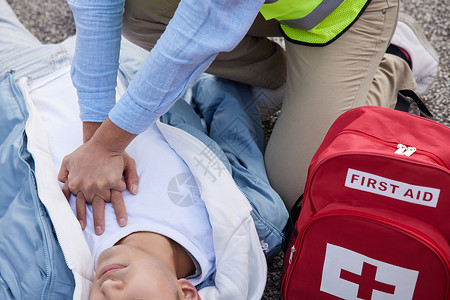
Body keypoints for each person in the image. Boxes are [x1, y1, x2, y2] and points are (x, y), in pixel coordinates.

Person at [0, 1, 287, 298]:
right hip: (131, 61)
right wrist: (104, 144)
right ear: (187, 293)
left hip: (15, 83)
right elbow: (233, 128)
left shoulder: (47, 285)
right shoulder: (251, 222)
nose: (110, 289)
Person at [59, 0, 439, 224]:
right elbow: (96, 6)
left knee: (296, 188)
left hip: (338, 17)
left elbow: (199, 29)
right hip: (248, 7)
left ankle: (393, 58)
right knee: (136, 9)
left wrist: (109, 146)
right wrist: (94, 132)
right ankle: (279, 79)